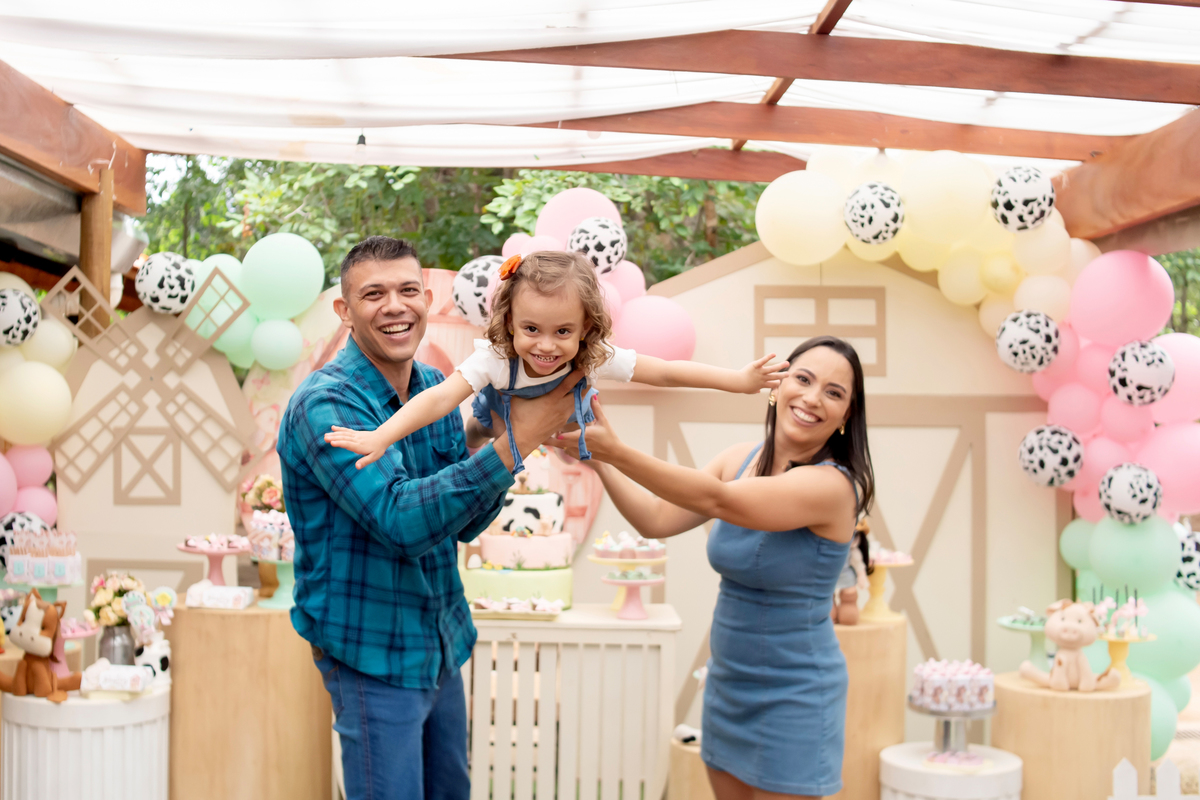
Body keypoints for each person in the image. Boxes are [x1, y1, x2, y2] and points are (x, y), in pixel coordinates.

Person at [277, 236, 583, 800]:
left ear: (425, 297)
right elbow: (401, 521)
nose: (395, 305)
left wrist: (500, 430)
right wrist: (519, 442)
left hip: (439, 639)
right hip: (371, 652)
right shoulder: (327, 405)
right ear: (345, 312)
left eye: (408, 289)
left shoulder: (430, 386)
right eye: (374, 293)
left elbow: (460, 523)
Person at [551, 336, 875, 800]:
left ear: (846, 417)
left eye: (834, 392)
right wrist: (596, 459)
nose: (811, 398)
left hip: (796, 695)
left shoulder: (832, 487)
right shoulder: (738, 459)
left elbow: (716, 500)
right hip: (728, 684)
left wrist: (615, 450)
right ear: (778, 385)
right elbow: (656, 519)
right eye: (803, 379)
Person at [325, 250, 787, 473]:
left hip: (559, 420)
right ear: (509, 323)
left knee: (575, 434)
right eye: (531, 330)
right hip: (500, 413)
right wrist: (380, 436)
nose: (546, 346)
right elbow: (440, 398)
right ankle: (489, 434)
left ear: (586, 328)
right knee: (481, 426)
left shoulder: (592, 354)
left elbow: (663, 370)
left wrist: (739, 380)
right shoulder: (498, 357)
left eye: (562, 331)